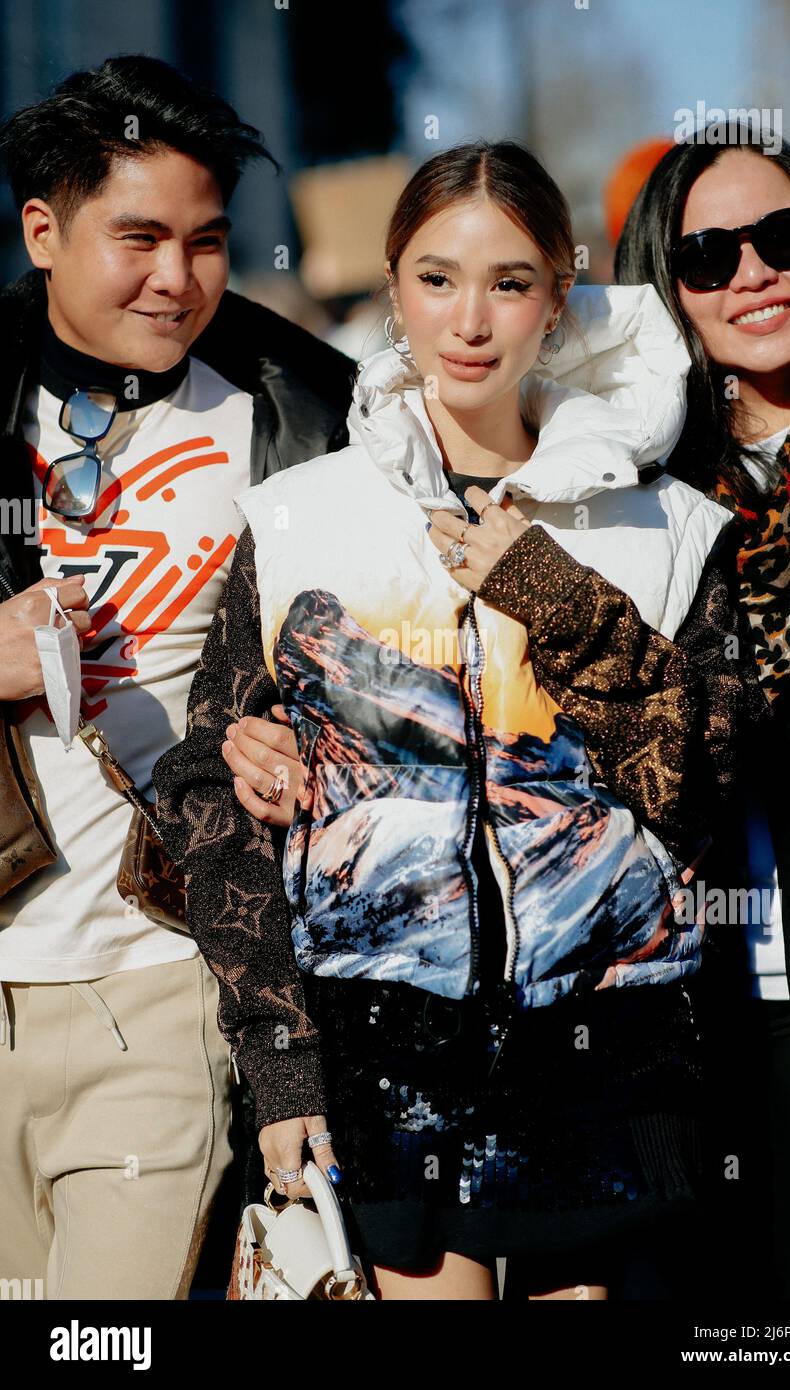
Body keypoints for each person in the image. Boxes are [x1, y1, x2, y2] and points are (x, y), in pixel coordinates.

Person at [153, 140, 742, 1301]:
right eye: (435, 278)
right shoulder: (297, 518)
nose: (468, 320)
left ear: (558, 296)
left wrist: (555, 595)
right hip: (381, 1065)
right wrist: (281, 1060)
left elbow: (700, 782)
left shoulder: (663, 526)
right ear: (392, 288)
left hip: (608, 1064)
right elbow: (204, 794)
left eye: (509, 282)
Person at [0, 54, 353, 1300]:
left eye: (205, 242)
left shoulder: (299, 407)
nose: (177, 277)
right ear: (43, 230)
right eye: (137, 237)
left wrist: (298, 739)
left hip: (154, 980)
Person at [614, 119, 790, 1299]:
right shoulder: (624, 505)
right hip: (694, 1029)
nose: (752, 273)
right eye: (708, 257)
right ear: (662, 290)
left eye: (781, 236)